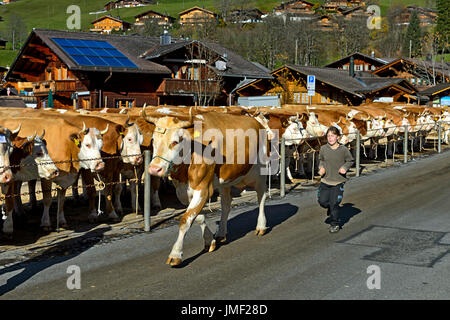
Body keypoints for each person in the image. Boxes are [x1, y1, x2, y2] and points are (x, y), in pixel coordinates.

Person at [317, 126, 354, 233]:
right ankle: (330, 208)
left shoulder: (343, 149)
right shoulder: (324, 148)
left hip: (338, 181)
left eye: (332, 136)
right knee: (322, 202)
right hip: (325, 180)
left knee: (334, 203)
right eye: (328, 136)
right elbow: (321, 160)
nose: (330, 138)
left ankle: (335, 223)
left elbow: (350, 160)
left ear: (337, 137)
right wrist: (321, 168)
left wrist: (344, 168)